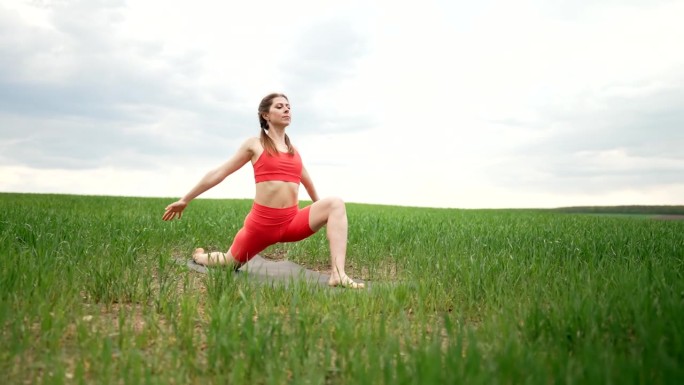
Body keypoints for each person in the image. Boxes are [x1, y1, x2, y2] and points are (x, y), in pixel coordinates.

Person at [162, 93, 364, 288]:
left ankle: (338, 274)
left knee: (335, 203)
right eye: (279, 106)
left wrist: (323, 213)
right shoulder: (255, 145)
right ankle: (200, 256)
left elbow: (309, 185)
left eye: (288, 106)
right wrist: (186, 199)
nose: (286, 109)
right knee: (228, 262)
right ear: (265, 115)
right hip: (261, 226)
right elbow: (220, 172)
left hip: (291, 223)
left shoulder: (295, 152)